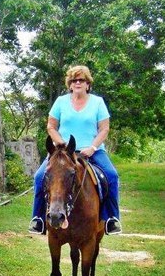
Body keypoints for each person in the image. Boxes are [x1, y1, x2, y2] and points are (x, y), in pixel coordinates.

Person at [28, 65, 122, 235]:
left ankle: (111, 219)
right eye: (74, 80)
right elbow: (51, 126)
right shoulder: (60, 102)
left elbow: (104, 129)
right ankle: (38, 219)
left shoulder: (98, 102)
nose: (78, 83)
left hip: (92, 150)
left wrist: (92, 147)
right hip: (63, 152)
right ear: (70, 84)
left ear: (88, 84)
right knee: (40, 177)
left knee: (112, 176)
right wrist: (61, 144)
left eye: (82, 80)